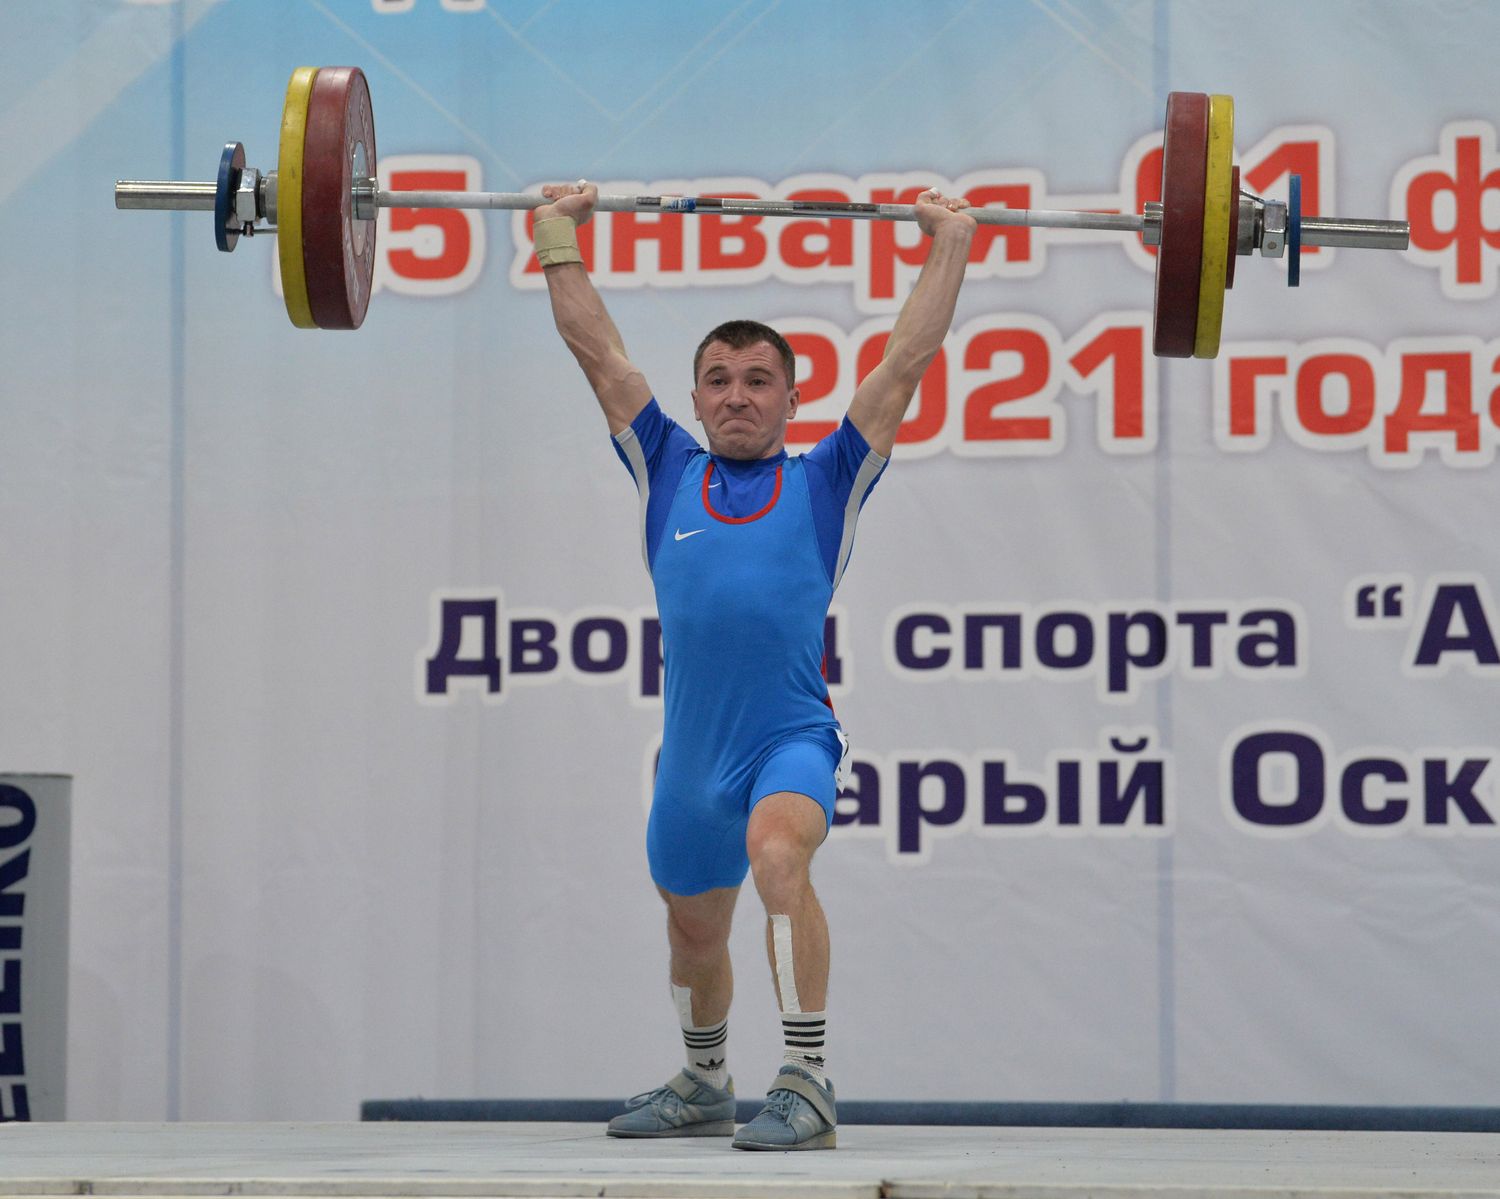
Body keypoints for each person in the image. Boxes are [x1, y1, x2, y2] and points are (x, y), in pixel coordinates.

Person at [533, 179, 975, 1151]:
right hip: (693, 757)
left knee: (779, 856)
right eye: (720, 379)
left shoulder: (828, 479)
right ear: (696, 398)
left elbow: (906, 359)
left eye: (759, 379)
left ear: (791, 397)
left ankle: (807, 1080)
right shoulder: (665, 468)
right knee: (694, 930)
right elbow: (598, 352)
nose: (738, 394)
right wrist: (557, 235)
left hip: (789, 738)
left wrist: (948, 241)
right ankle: (704, 1080)